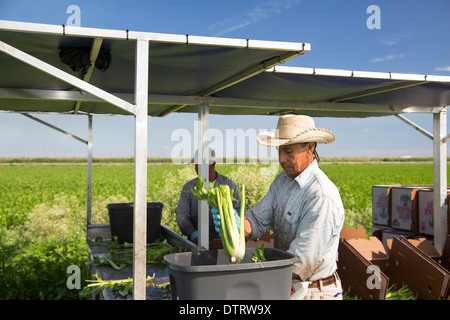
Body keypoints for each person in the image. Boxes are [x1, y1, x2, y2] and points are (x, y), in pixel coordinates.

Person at [242, 114, 345, 300]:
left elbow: (302, 261)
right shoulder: (282, 180)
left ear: (310, 148)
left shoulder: (320, 195)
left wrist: (254, 275)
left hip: (315, 292)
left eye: (288, 152)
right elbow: (258, 219)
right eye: (279, 151)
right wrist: (236, 227)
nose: (281, 159)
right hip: (288, 283)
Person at [175, 147, 240, 244]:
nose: (196, 167)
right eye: (195, 164)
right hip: (196, 245)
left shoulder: (228, 185)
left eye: (200, 164)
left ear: (212, 164)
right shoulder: (189, 187)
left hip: (225, 243)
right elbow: (181, 215)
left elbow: (239, 211)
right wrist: (193, 234)